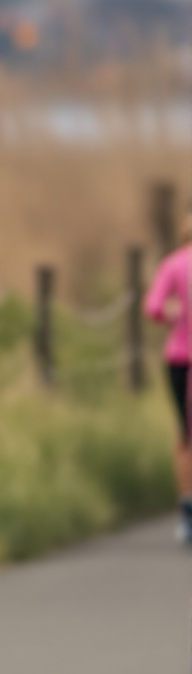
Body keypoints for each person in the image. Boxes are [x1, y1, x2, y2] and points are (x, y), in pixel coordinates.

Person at [143, 211, 192, 544]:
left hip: (179, 358)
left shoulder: (173, 264)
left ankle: (187, 509)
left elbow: (153, 307)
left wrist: (173, 312)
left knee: (185, 435)